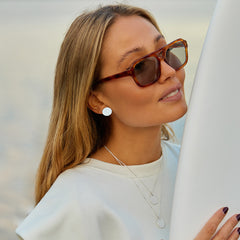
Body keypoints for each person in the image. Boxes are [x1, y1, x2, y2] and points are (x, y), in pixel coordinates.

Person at [16, 4, 240, 240]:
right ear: (96, 99)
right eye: (141, 67)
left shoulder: (200, 169)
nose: (168, 71)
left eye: (166, 52)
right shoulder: (74, 203)